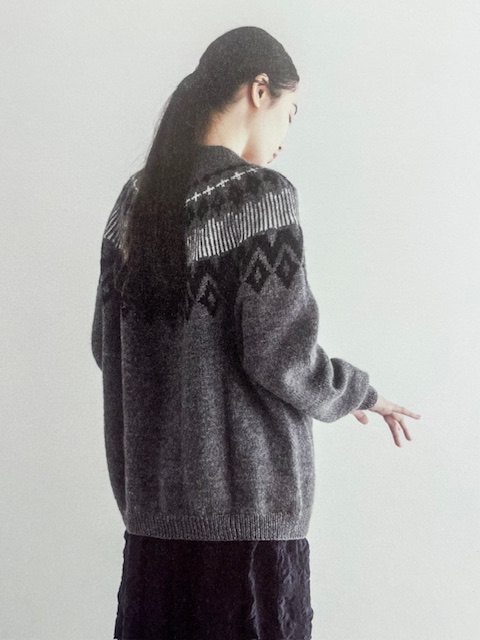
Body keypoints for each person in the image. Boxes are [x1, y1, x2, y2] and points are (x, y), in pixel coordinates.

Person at [91, 25, 421, 640]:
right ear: (259, 90)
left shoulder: (133, 204)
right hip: (247, 535)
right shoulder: (262, 199)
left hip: (153, 533)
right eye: (290, 114)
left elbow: (104, 348)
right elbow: (282, 355)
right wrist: (359, 392)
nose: (284, 139)